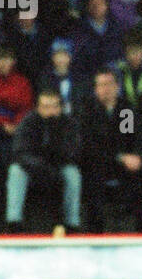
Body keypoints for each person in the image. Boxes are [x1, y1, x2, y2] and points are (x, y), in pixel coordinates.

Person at [80, 67, 142, 232]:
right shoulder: (87, 110)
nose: (106, 89)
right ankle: (95, 231)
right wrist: (120, 157)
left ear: (117, 87)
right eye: (101, 85)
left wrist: (136, 157)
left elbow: (132, 139)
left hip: (122, 163)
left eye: (110, 84)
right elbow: (89, 146)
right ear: (95, 89)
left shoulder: (125, 110)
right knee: (92, 173)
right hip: (97, 162)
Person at [5, 87, 83, 233]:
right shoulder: (28, 122)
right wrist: (42, 166)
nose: (51, 111)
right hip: (34, 168)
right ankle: (13, 222)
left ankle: (72, 224)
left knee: (72, 174)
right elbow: (20, 152)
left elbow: (74, 151)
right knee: (15, 171)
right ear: (38, 108)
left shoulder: (70, 124)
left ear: (61, 108)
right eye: (46, 107)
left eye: (54, 106)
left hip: (60, 166)